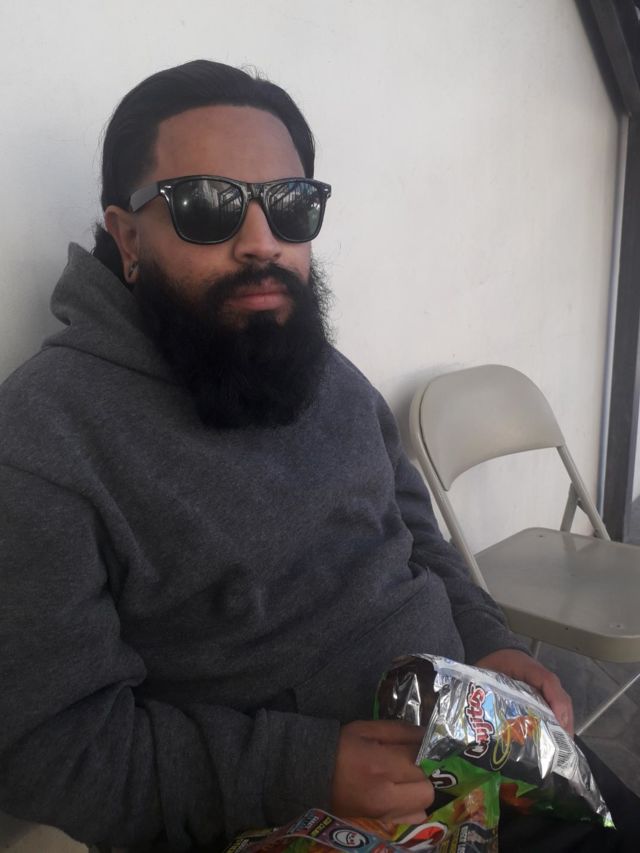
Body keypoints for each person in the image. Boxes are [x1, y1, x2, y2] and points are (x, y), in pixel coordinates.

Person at [0, 60, 636, 853]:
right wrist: (302, 767)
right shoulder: (46, 437)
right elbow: (49, 746)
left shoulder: (320, 369)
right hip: (285, 818)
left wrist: (487, 638)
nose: (261, 243)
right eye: (207, 206)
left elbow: (415, 535)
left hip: (474, 739)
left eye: (290, 205)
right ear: (128, 236)